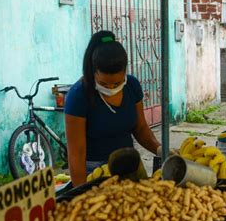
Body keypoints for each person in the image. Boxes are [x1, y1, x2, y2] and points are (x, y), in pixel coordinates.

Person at [64, 31, 162, 187]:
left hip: (130, 166)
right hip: (95, 173)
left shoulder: (132, 86)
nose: (111, 88)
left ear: (125, 72)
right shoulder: (78, 96)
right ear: (93, 72)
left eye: (116, 84)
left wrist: (159, 149)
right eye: (104, 84)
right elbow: (76, 153)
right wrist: (80, 191)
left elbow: (141, 128)